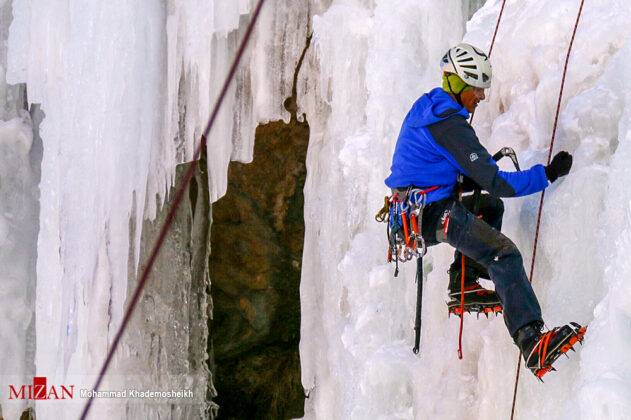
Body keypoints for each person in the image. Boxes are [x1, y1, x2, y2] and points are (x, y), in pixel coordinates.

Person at [384, 43, 585, 377]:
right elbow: (497, 182)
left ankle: (463, 283)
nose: (481, 96)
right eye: (477, 88)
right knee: (503, 254)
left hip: (415, 211)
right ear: (460, 85)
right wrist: (547, 175)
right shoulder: (449, 125)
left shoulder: (431, 108)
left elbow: (443, 166)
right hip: (426, 214)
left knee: (488, 207)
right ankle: (531, 341)